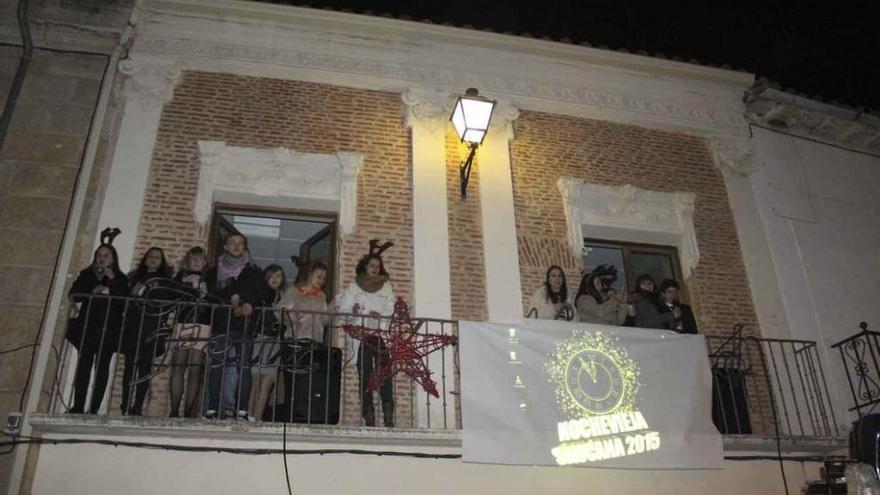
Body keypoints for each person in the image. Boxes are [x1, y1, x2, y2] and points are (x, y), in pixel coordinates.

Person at [203, 233, 266, 420]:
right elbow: (210, 296)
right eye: (233, 242)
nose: (237, 246)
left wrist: (249, 304)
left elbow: (262, 294)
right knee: (217, 365)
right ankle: (213, 408)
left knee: (244, 367)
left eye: (241, 243)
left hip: (245, 325)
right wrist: (232, 299)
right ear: (225, 246)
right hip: (222, 323)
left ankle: (242, 409)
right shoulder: (214, 272)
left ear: (245, 247)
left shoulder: (254, 270)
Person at [66, 239, 129, 414]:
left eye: (106, 255)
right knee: (84, 366)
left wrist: (112, 280)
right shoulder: (87, 275)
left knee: (102, 368)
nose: (101, 258)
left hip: (109, 328)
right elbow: (74, 295)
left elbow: (125, 301)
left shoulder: (121, 278)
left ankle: (94, 407)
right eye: (99, 255)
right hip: (88, 326)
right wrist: (91, 291)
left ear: (113, 259)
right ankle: (78, 405)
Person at [339, 242, 396, 427]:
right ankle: (368, 416)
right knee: (365, 375)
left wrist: (381, 316)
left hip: (379, 334)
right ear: (364, 266)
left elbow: (391, 307)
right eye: (372, 265)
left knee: (384, 374)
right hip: (361, 336)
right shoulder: (354, 286)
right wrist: (353, 310)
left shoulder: (386, 287)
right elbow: (343, 309)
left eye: (378, 266)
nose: (375, 269)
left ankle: (388, 416)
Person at [121, 247, 174, 415]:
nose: (153, 259)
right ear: (145, 259)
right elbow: (126, 299)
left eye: (157, 257)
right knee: (129, 367)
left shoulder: (165, 281)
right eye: (150, 256)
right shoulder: (133, 278)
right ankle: (125, 403)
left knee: (145, 368)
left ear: (161, 262)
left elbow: (167, 303)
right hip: (134, 325)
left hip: (152, 327)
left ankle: (137, 406)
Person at [168, 246, 212, 418]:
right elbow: (173, 297)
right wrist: (188, 286)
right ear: (188, 260)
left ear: (204, 262)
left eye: (199, 259)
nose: (196, 262)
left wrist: (205, 293)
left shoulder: (211, 277)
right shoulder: (180, 276)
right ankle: (173, 410)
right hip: (183, 321)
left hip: (203, 323)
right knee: (179, 366)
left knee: (195, 368)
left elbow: (213, 299)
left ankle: (187, 412)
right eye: (193, 259)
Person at [247, 264, 288, 422]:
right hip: (260, 338)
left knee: (268, 382)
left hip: (276, 341)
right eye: (271, 276)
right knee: (256, 380)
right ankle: (250, 415)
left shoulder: (286, 296)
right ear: (266, 278)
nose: (275, 279)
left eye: (278, 276)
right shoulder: (261, 295)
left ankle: (257, 419)